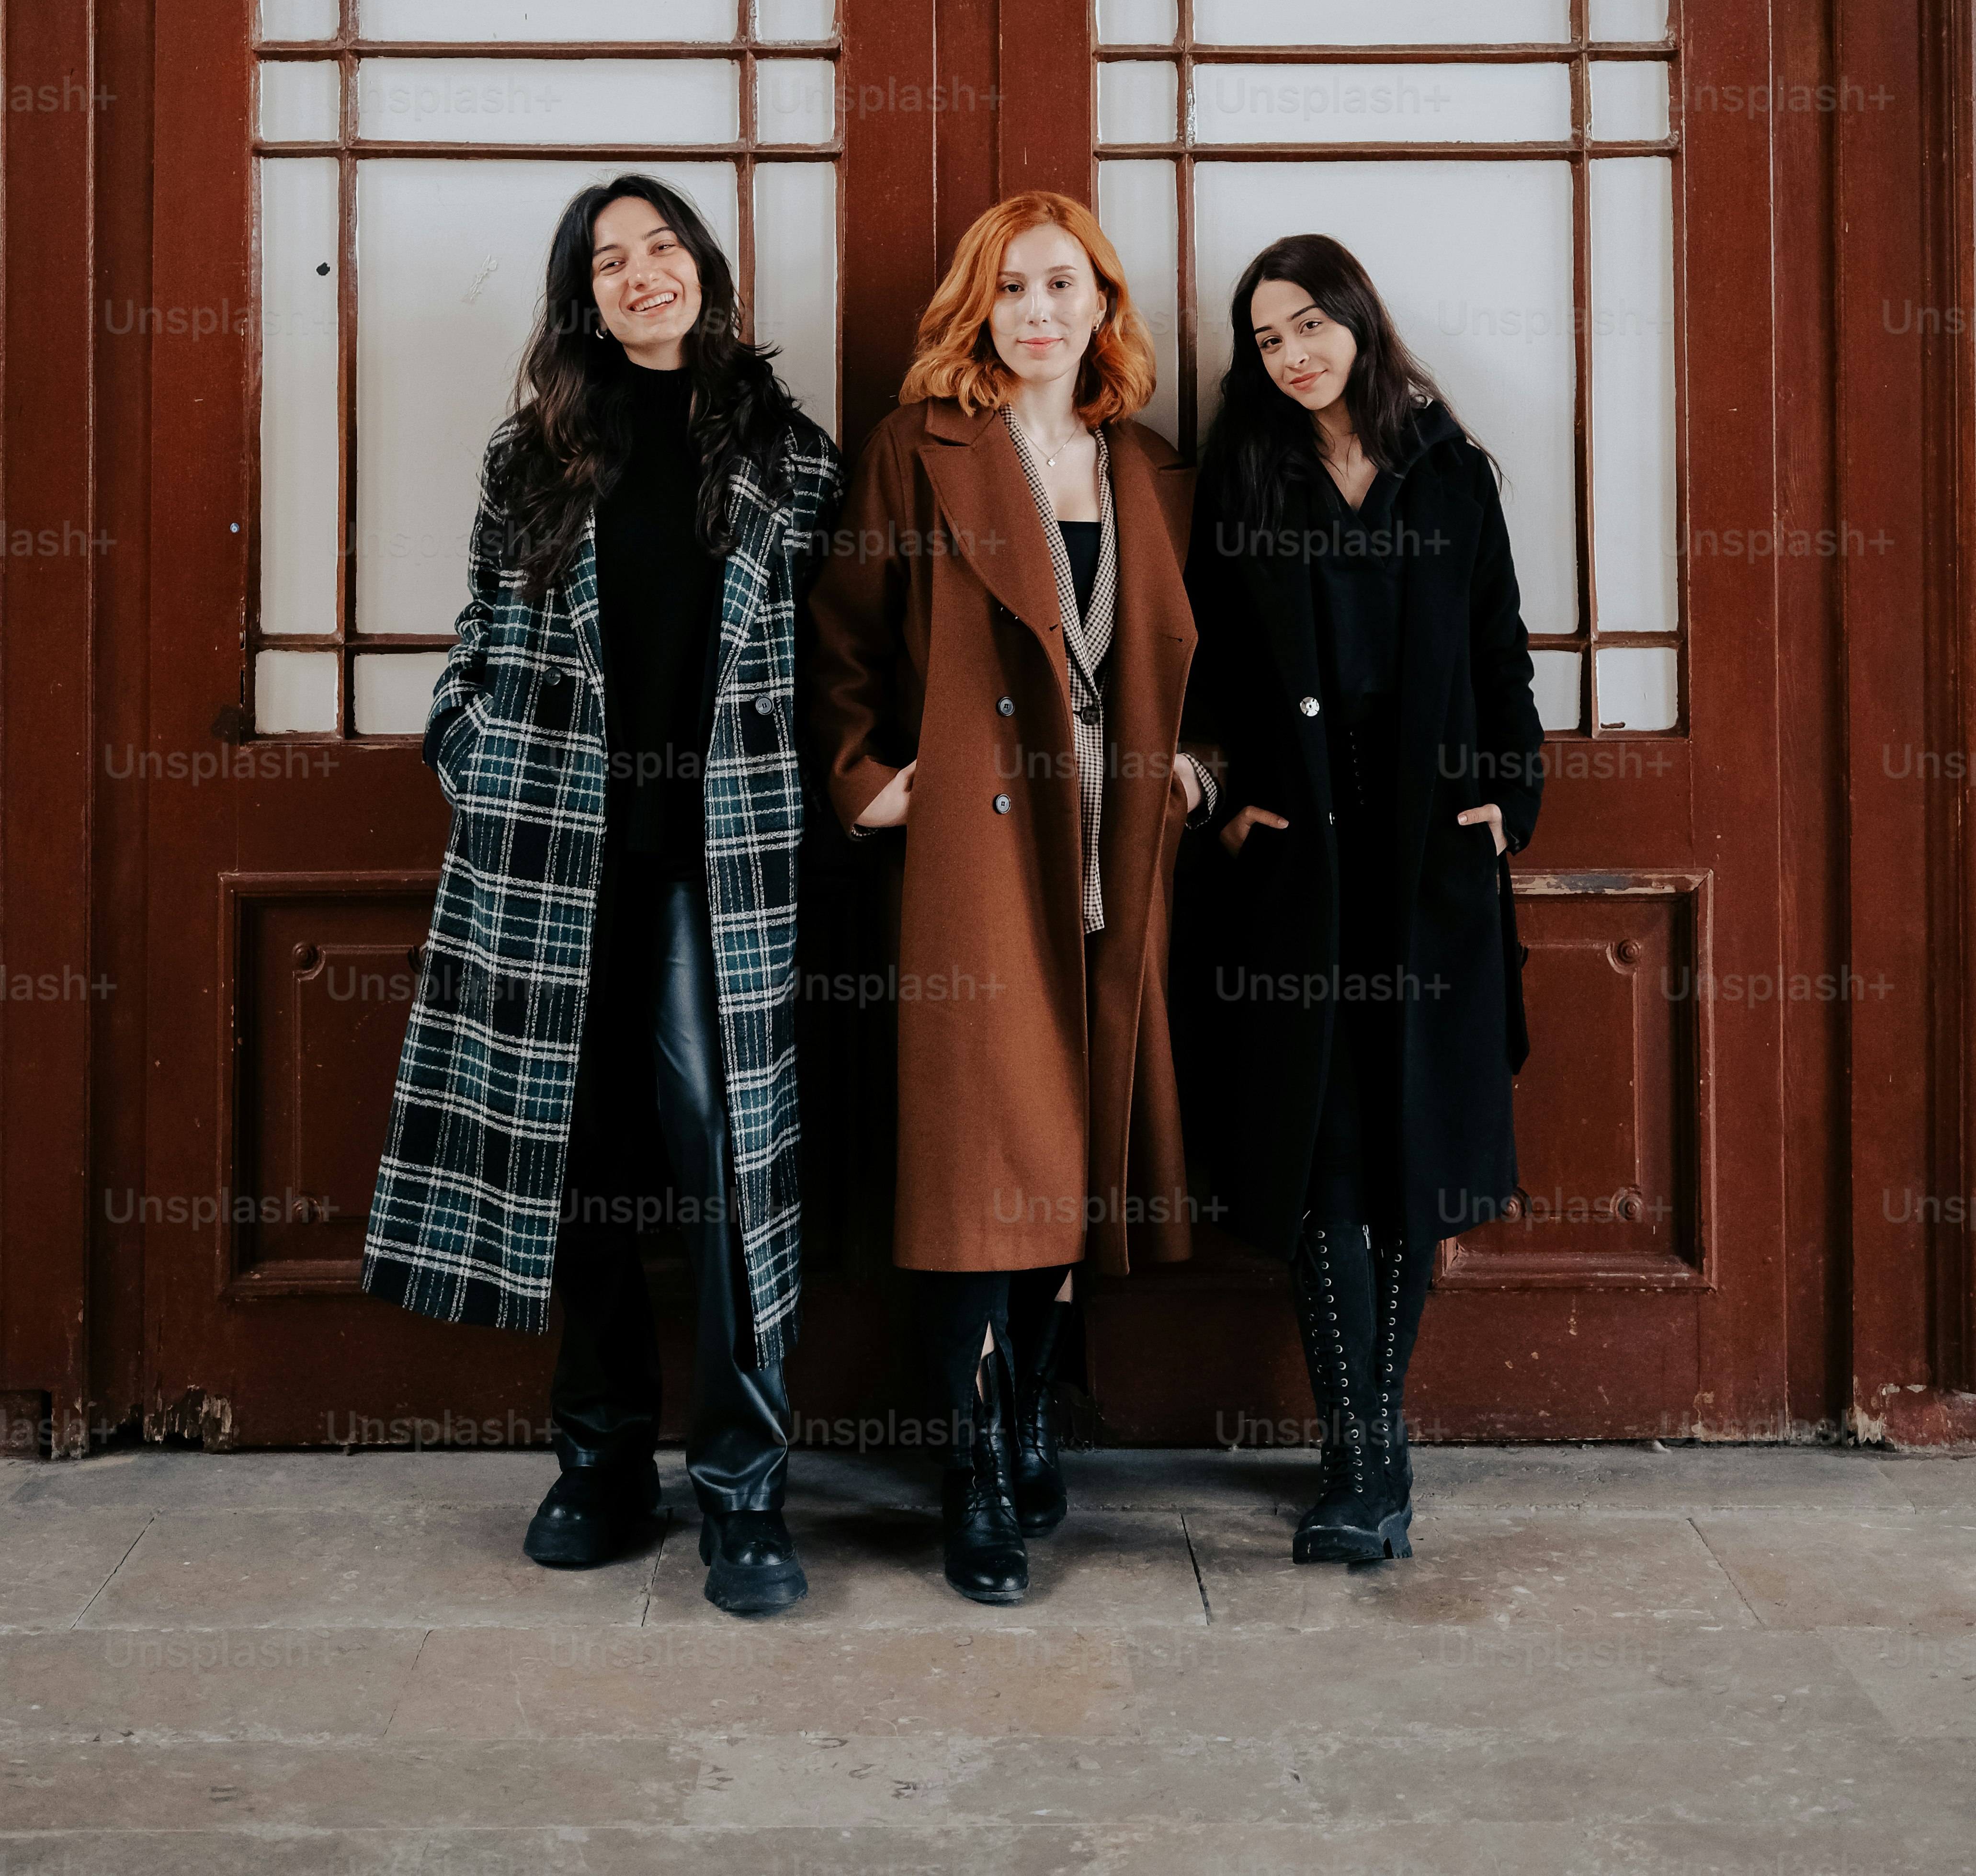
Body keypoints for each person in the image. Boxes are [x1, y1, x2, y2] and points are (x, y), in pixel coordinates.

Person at [362, 174, 841, 1617]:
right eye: (611, 262)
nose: (644, 276)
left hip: (721, 861)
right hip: (552, 853)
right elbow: (475, 641)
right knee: (576, 1161)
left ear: (704, 266)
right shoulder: (538, 455)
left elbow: (839, 668)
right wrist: (470, 745)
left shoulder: (789, 456)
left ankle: (745, 1494)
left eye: (663, 249)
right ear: (585, 297)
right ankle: (601, 1460)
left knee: (723, 1166)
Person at [806, 192, 1215, 1604]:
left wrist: (1201, 780)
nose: (1040, 311)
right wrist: (865, 779)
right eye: (1012, 289)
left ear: (1105, 303)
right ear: (977, 312)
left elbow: (1209, 666)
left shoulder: (1155, 474)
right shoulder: (919, 457)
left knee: (1074, 1167)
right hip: (977, 864)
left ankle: (1033, 1415)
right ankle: (973, 1470)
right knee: (990, 1173)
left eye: (1065, 284)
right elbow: (844, 636)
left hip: (1119, 864)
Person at [1184, 233, 1543, 1565]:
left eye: (1309, 325)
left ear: (1358, 319)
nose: (1293, 354)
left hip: (1427, 848)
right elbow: (1197, 666)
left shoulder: (1450, 475)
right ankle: (1353, 1451)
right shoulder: (1243, 479)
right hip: (1302, 860)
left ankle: (1376, 1443)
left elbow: (1501, 651)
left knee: (1410, 1150)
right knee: (1321, 1149)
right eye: (1267, 338)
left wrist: (1510, 793)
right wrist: (1227, 808)